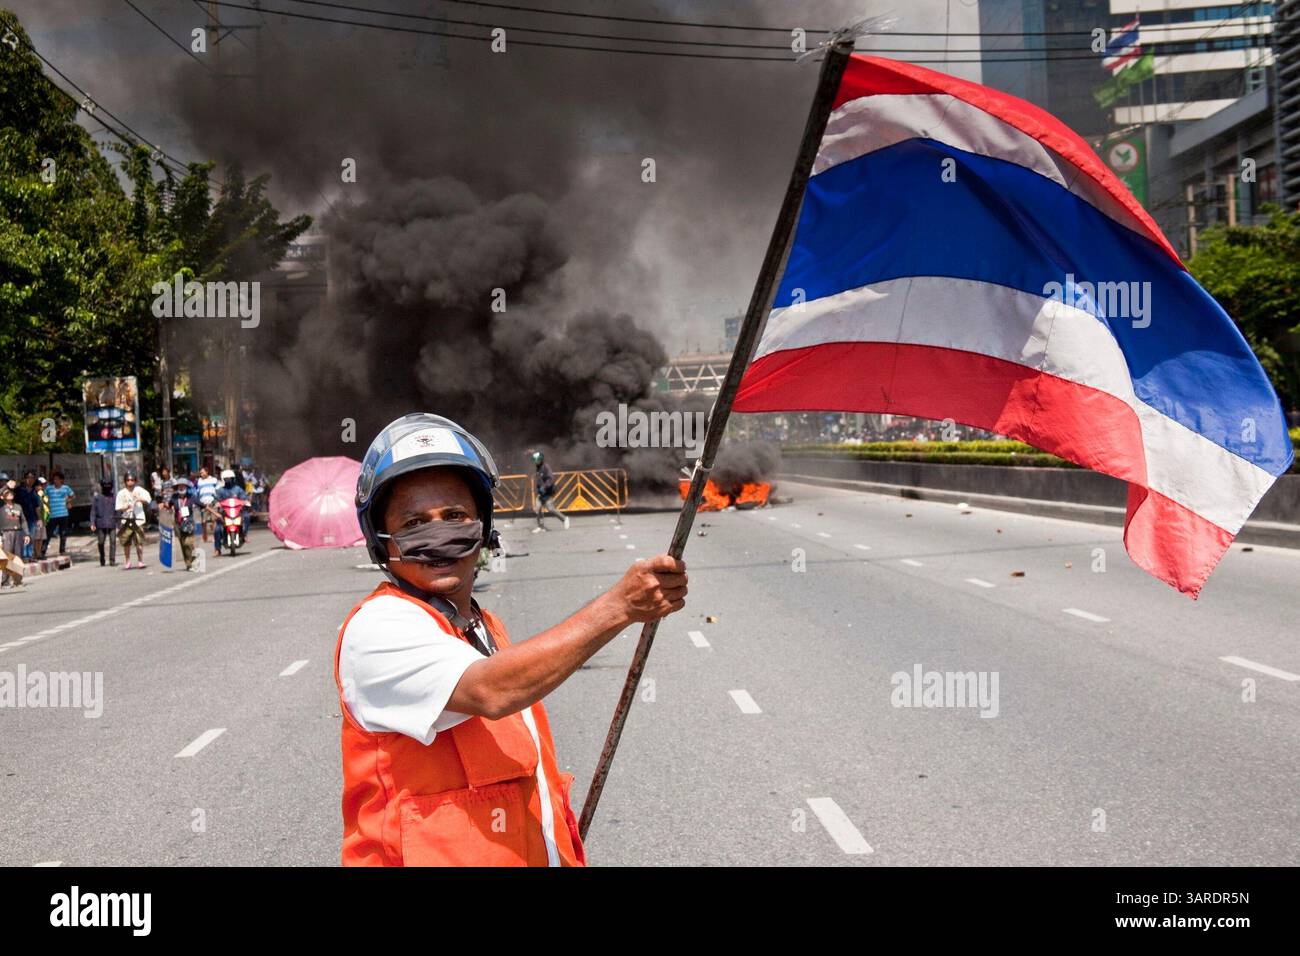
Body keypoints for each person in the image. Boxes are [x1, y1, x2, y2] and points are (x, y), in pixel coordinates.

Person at [337, 413, 687, 867]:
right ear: (382, 541)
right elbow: (491, 690)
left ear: (482, 525)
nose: (439, 533)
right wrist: (619, 606)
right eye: (415, 523)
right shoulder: (379, 627)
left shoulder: (483, 626)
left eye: (455, 516)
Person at [160, 479, 199, 571]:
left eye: (183, 486)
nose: (181, 488)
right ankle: (188, 564)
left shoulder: (191, 497)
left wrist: (215, 513)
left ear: (186, 487)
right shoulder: (174, 497)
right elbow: (169, 506)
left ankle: (194, 561)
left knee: (189, 543)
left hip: (188, 522)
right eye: (179, 486)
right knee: (182, 543)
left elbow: (202, 505)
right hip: (178, 523)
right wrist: (163, 506)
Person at [116, 473, 151, 569]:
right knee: (126, 542)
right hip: (126, 520)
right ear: (125, 482)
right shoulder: (121, 493)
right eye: (128, 480)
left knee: (139, 541)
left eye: (132, 480)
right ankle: (127, 561)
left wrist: (140, 499)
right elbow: (118, 508)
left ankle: (140, 560)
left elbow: (148, 499)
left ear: (135, 481)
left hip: (138, 519)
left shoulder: (139, 490)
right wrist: (125, 507)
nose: (130, 482)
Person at [211, 468, 250, 554]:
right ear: (223, 479)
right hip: (224, 513)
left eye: (230, 478)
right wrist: (216, 503)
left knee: (247, 516)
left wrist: (245, 502)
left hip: (238, 512)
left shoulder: (238, 489)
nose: (228, 480)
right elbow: (216, 499)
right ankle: (217, 549)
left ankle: (245, 533)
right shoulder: (220, 490)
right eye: (226, 478)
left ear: (233, 478)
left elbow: (244, 497)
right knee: (217, 529)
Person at [530, 450, 568, 533]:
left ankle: (564, 519)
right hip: (541, 493)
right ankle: (540, 526)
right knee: (538, 508)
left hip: (547, 492)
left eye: (537, 460)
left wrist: (544, 487)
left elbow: (550, 478)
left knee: (550, 509)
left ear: (541, 460)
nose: (535, 462)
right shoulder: (538, 468)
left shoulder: (546, 467)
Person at [1, 487, 30, 590]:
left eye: (11, 492)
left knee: (17, 557)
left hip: (18, 533)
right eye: (7, 493)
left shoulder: (18, 507)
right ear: (2, 496)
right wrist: (6, 487)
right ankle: (5, 582)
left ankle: (18, 580)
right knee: (6, 558)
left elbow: (23, 521)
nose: (10, 494)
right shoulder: (1, 506)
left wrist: (26, 534)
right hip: (6, 533)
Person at [44, 471, 74, 556]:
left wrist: (68, 501)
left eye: (57, 479)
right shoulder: (49, 488)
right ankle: (43, 550)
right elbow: (44, 497)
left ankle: (62, 550)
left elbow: (72, 495)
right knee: (48, 533)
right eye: (54, 479)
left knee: (63, 533)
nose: (55, 481)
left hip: (63, 514)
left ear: (61, 480)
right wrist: (47, 506)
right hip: (53, 514)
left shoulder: (66, 488)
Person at [90, 480, 117, 566]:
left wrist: (119, 523)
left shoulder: (114, 497)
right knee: (101, 542)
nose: (107, 488)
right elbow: (93, 511)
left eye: (108, 486)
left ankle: (112, 560)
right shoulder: (97, 498)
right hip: (101, 523)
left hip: (112, 522)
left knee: (113, 541)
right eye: (105, 486)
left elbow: (118, 511)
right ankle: (102, 557)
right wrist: (92, 523)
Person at [13, 472, 40, 559]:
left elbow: (37, 507)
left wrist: (39, 519)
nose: (30, 480)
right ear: (24, 479)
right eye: (28, 477)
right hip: (20, 518)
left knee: (31, 536)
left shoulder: (34, 492)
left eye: (32, 478)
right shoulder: (18, 490)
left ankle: (30, 554)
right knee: (23, 536)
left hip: (32, 518)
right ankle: (24, 555)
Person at [195, 466, 219, 542]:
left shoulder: (214, 480)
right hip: (203, 504)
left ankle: (215, 537)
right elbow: (197, 492)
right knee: (203, 521)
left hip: (212, 503)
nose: (201, 474)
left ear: (207, 472)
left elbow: (218, 491)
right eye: (200, 473)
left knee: (214, 520)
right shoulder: (199, 481)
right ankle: (205, 537)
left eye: (202, 472)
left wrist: (217, 501)